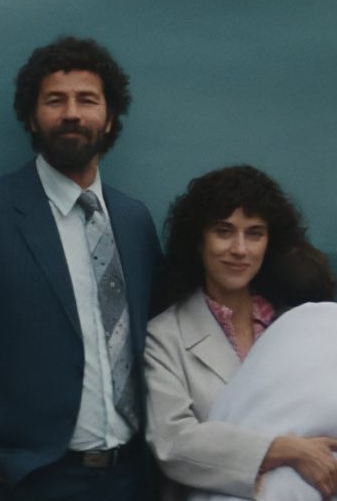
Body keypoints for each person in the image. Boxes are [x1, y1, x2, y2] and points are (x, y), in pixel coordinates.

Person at [0, 36, 161, 500]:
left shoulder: (134, 221)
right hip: (24, 478)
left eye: (87, 100)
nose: (72, 113)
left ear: (110, 118)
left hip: (129, 479)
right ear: (31, 117)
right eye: (55, 100)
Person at [144, 165, 337, 500]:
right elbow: (172, 441)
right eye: (224, 231)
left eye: (255, 233)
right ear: (198, 241)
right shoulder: (165, 335)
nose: (240, 249)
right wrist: (285, 450)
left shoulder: (298, 323)